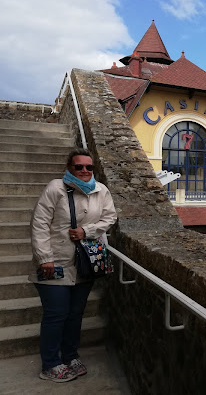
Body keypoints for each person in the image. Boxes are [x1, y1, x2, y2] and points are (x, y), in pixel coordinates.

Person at [29, 149, 117, 383]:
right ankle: (50, 364)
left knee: (75, 314)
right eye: (79, 167)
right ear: (69, 168)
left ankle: (69, 356)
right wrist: (44, 257)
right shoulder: (55, 188)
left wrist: (86, 231)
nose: (85, 171)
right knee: (56, 314)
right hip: (54, 261)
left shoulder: (101, 190)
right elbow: (39, 223)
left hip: (84, 263)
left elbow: (110, 218)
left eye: (89, 167)